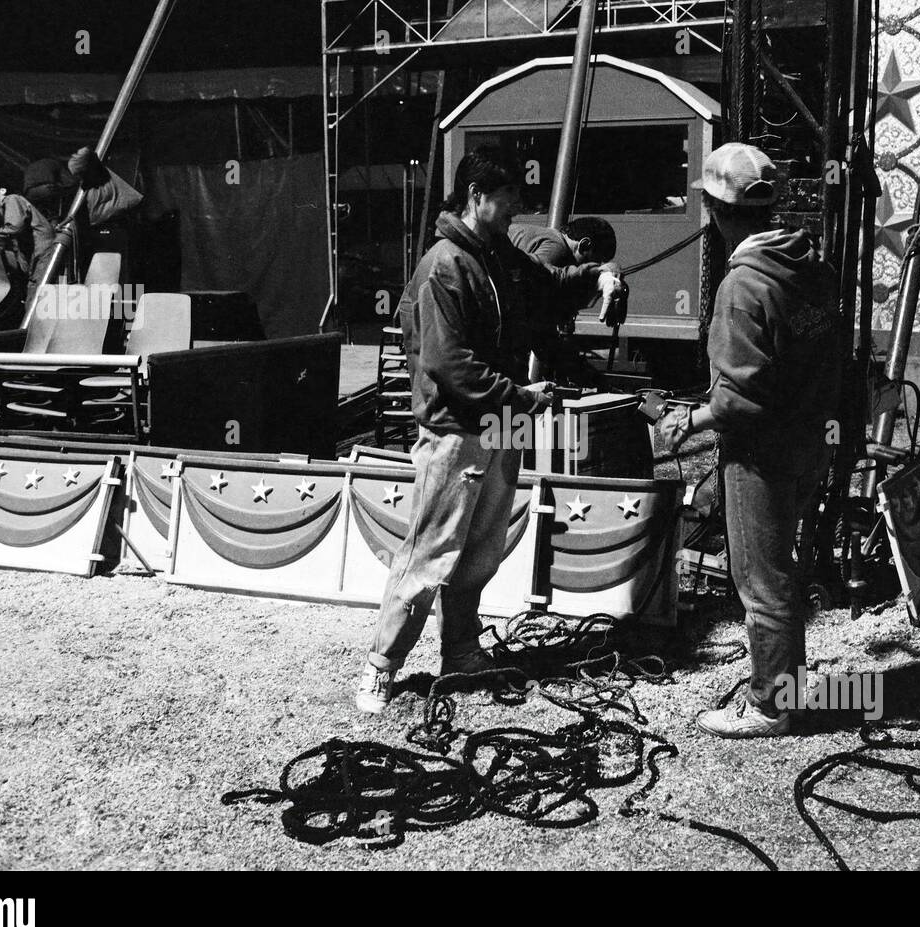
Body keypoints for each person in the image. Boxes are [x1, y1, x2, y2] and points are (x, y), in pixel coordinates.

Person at [356, 147, 620, 714]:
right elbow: (449, 364)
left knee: (480, 552)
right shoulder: (445, 265)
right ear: (476, 196)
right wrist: (519, 396)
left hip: (502, 423)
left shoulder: (496, 253)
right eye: (507, 204)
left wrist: (600, 274)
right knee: (431, 552)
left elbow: (550, 282)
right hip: (458, 429)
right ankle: (381, 667)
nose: (515, 215)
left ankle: (461, 652)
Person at [655, 142, 841, 738]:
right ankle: (787, 684)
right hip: (809, 442)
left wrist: (689, 421)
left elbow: (739, 398)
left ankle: (772, 706)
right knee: (783, 571)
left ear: (714, 210)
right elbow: (821, 356)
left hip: (760, 455)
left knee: (760, 582)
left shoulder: (742, 287)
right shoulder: (811, 267)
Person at [509, 217, 619, 380]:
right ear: (584, 245)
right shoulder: (557, 249)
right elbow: (535, 318)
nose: (597, 265)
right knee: (511, 393)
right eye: (597, 260)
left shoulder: (549, 238)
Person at [0, 179, 56, 310]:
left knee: (36, 293)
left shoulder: (11, 199)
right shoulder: (4, 208)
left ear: (2, 191)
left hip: (43, 249)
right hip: (35, 252)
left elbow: (14, 227)